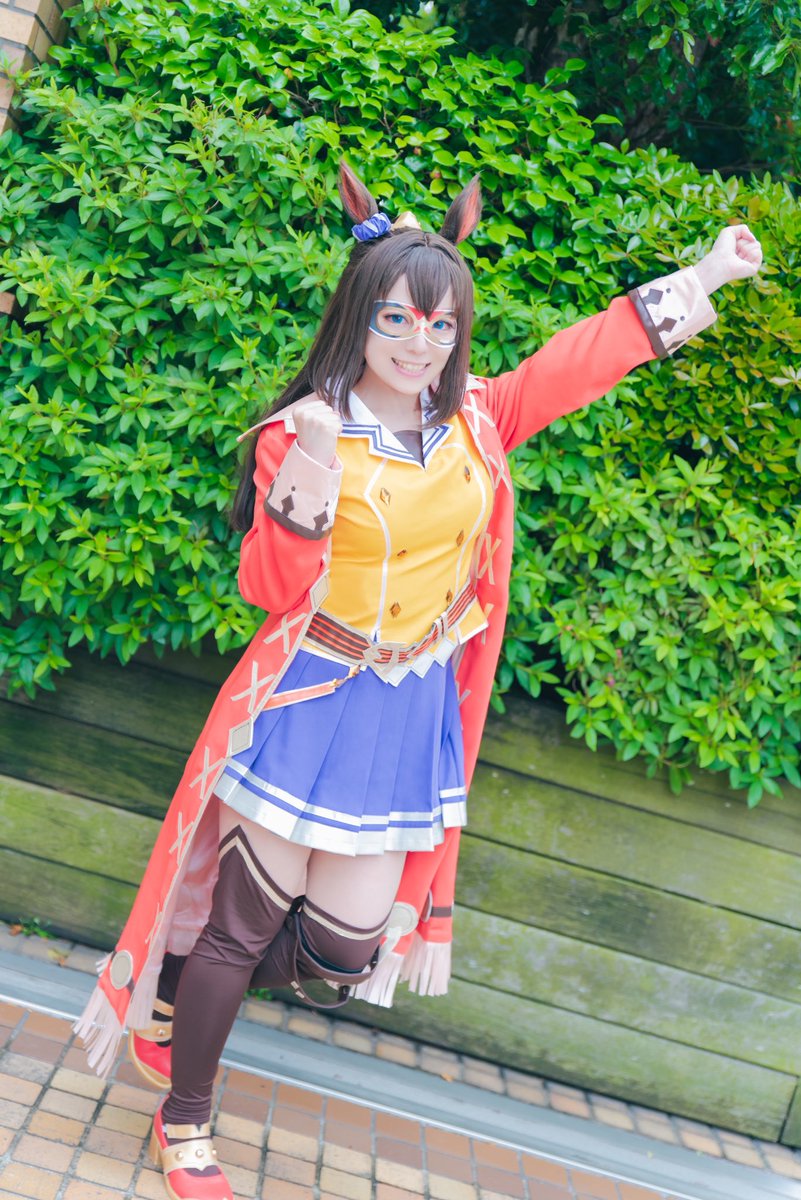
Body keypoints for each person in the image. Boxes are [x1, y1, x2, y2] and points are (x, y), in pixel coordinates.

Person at [75, 161, 762, 1199]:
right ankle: (186, 1119)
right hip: (308, 699)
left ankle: (179, 979)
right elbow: (269, 587)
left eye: (440, 326)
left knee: (344, 954)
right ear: (359, 317)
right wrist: (311, 468)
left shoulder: (477, 420)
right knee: (245, 927)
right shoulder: (302, 431)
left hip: (405, 716)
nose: (419, 344)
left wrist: (703, 275)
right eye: (397, 319)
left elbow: (579, 359)